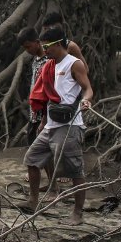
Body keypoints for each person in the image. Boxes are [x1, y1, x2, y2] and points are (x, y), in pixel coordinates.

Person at [23, 26, 93, 225]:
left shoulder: (74, 64)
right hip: (51, 124)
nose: (44, 51)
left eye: (47, 47)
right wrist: (44, 121)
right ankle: (33, 201)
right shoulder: (49, 66)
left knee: (75, 171)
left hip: (70, 125)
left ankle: (78, 213)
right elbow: (48, 97)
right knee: (32, 159)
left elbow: (87, 89)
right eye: (43, 47)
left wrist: (86, 101)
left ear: (58, 44)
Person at [17, 27, 58, 195]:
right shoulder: (36, 59)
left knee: (40, 151)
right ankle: (52, 184)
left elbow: (49, 89)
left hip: (43, 113)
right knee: (41, 150)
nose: (28, 51)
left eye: (28, 46)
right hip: (34, 113)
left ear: (37, 42)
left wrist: (44, 118)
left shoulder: (48, 60)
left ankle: (52, 186)